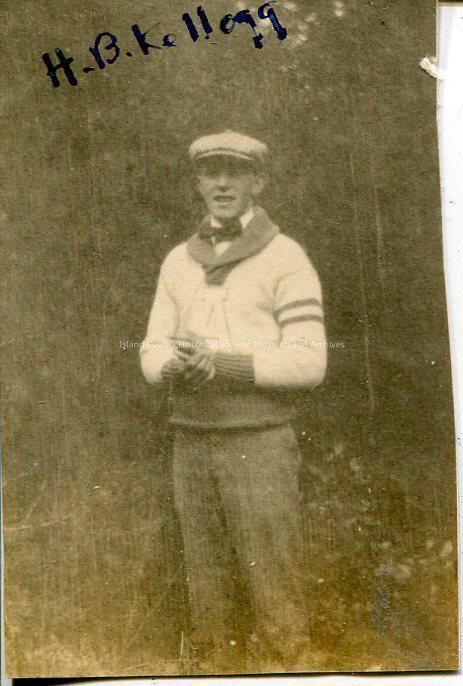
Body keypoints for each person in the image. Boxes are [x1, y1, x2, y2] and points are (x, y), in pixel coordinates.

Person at [140, 130, 327, 673]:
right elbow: (151, 347)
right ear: (199, 183)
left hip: (257, 442)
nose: (221, 184)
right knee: (208, 588)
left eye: (235, 173)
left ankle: (292, 672)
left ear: (257, 182)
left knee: (274, 584)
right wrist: (174, 367)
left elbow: (310, 361)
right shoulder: (179, 261)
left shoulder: (285, 257)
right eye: (210, 173)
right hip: (192, 440)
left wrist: (221, 364)